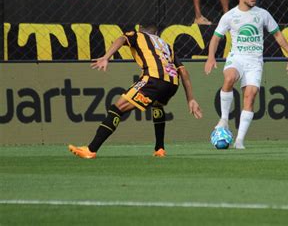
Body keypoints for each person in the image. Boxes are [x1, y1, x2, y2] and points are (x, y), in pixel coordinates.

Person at [69, 23, 203, 159]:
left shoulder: (138, 35)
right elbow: (183, 72)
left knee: (117, 109)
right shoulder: (166, 46)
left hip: (153, 80)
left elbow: (121, 39)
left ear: (139, 29)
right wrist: (190, 99)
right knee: (157, 106)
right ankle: (160, 148)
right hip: (172, 84)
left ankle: (91, 150)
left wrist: (106, 57)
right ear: (156, 33)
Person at [204, 0, 288, 149]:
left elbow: (278, 35)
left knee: (250, 96)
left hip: (255, 61)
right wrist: (211, 57)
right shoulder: (230, 16)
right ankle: (224, 119)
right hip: (237, 57)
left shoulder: (263, 14)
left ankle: (239, 140)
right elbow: (216, 37)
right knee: (229, 78)